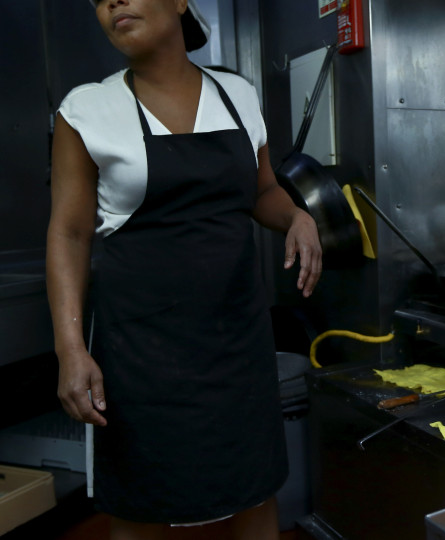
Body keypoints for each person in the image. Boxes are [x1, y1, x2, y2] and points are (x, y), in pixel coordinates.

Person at [46, 1, 322, 538]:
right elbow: (69, 232)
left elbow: (261, 190)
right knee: (143, 501)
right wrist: (70, 348)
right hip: (140, 351)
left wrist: (296, 215)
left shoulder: (237, 95)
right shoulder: (87, 109)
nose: (113, 4)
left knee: (253, 487)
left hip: (237, 339)